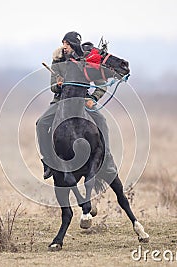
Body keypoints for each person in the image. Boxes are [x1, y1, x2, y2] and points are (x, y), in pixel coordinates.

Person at [36, 31, 117, 182]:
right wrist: (58, 85)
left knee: (102, 121)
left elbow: (101, 85)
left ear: (74, 45)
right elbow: (52, 87)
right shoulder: (58, 60)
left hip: (83, 100)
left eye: (67, 43)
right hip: (61, 101)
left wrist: (93, 98)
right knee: (40, 123)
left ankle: (106, 158)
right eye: (63, 43)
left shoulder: (86, 61)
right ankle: (47, 161)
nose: (64, 46)